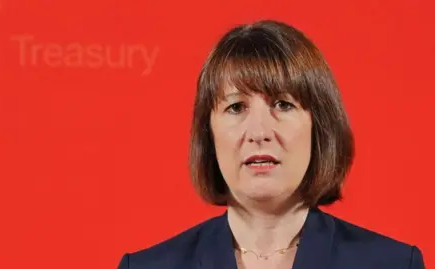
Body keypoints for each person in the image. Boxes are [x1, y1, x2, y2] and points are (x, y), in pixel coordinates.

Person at [117, 20, 425, 269]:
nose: (259, 132)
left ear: (318, 126)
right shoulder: (147, 266)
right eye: (236, 108)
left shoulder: (393, 263)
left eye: (282, 104)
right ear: (208, 133)